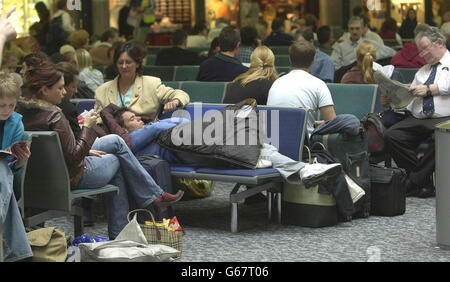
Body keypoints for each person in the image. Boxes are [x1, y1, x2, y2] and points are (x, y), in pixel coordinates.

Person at [16, 59, 184, 239]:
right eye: (60, 88)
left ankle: (152, 196)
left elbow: (58, 149)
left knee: (115, 141)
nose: (65, 92)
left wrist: (86, 147)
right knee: (119, 158)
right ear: (44, 90)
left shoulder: (21, 110)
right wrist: (87, 128)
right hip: (71, 175)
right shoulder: (55, 115)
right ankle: (123, 231)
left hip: (36, 177)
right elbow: (73, 158)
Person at [105, 107, 344, 190]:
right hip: (184, 150)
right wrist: (157, 125)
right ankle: (301, 169)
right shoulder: (130, 141)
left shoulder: (143, 134)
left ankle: (302, 170)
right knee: (247, 143)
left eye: (138, 116)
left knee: (254, 145)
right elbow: (175, 124)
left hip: (194, 147)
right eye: (131, 119)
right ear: (123, 128)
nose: (138, 119)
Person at [384, 27, 450, 199]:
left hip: (445, 119)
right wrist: (394, 101)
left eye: (425, 48)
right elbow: (410, 101)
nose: (423, 54)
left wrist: (428, 89)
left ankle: (412, 182)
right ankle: (424, 182)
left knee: (441, 137)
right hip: (419, 117)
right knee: (392, 135)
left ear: (440, 43)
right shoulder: (423, 71)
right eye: (421, 51)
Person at [94, 41, 190, 122]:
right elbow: (98, 120)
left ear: (137, 64)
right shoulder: (102, 90)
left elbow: (182, 94)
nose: (123, 66)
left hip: (144, 133)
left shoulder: (151, 84)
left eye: (128, 62)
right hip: (112, 135)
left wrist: (175, 101)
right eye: (120, 63)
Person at [267, 40, 336, 136]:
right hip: (303, 147)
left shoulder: (276, 83)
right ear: (313, 62)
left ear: (290, 60)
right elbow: (333, 123)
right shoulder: (319, 85)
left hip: (274, 143)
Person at [0, 71, 33, 262]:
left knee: (2, 167)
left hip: (9, 176)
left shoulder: (16, 124)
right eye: (2, 105)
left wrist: (21, 161)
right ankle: (20, 254)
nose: (6, 110)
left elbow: (14, 168)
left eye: (11, 105)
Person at [331, 17, 397, 71]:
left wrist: (375, 56)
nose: (354, 32)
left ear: (362, 29)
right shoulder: (340, 47)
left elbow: (392, 52)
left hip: (366, 74)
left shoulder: (370, 44)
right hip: (346, 75)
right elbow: (334, 65)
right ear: (348, 30)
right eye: (352, 29)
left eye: (357, 28)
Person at [56, 61, 81, 138]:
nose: (76, 91)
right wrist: (87, 126)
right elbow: (78, 145)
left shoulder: (27, 108)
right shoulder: (68, 109)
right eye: (73, 86)